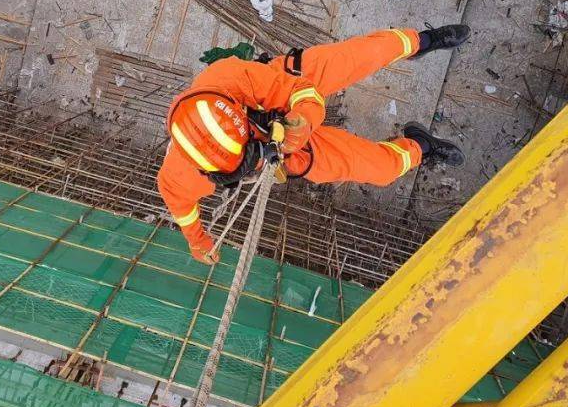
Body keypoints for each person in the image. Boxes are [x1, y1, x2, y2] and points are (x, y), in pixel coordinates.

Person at [158, 25, 469, 262]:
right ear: (208, 172)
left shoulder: (229, 77)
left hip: (285, 89)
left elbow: (303, 91)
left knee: (364, 54)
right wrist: (198, 242)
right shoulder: (179, 176)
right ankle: (421, 145)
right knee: (383, 170)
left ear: (237, 111)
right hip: (289, 153)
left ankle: (423, 41)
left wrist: (303, 119)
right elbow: (183, 210)